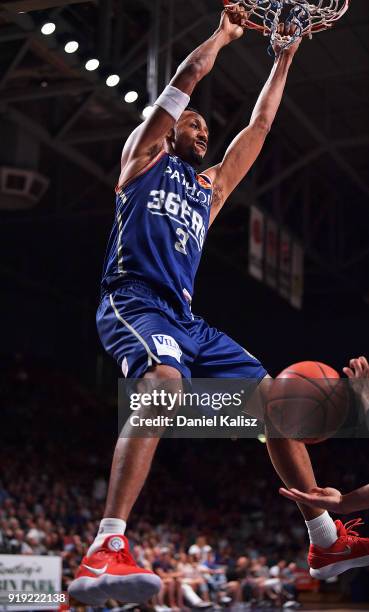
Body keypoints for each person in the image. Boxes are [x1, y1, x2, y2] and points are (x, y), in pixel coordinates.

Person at [68, 3, 369, 606]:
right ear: (169, 131)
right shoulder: (141, 163)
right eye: (195, 126)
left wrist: (282, 60)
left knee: (273, 404)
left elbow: (258, 127)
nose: (203, 134)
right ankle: (107, 545)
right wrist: (224, 35)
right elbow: (181, 86)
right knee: (163, 381)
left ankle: (325, 538)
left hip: (186, 318)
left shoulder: (208, 193)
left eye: (207, 131)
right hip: (135, 299)